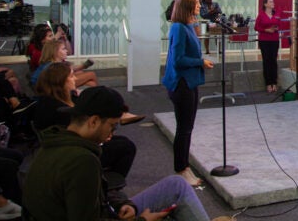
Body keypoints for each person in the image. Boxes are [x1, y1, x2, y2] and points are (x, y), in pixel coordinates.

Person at [23, 86, 227, 221]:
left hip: (108, 212)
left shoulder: (54, 143)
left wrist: (120, 204)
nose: (112, 135)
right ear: (93, 121)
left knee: (177, 184)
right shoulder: (81, 162)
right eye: (112, 126)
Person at [34, 62, 137, 180]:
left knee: (121, 140)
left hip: (76, 142)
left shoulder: (62, 99)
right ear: (61, 80)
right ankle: (109, 184)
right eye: (71, 76)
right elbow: (78, 130)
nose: (75, 79)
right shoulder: (54, 108)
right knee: (127, 146)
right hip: (76, 148)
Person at [163, 0, 214, 186]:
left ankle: (184, 166)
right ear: (187, 5)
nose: (200, 5)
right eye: (197, 2)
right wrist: (200, 62)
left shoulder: (187, 26)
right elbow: (177, 60)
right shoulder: (178, 28)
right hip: (181, 83)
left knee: (188, 127)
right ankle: (181, 168)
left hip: (189, 82)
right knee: (184, 129)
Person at [31, 39, 97, 88]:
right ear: (54, 52)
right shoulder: (52, 67)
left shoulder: (52, 63)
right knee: (91, 74)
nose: (67, 51)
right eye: (63, 49)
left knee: (89, 81)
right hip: (51, 93)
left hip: (52, 89)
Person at [254, 0, 281, 93]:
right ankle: (268, 83)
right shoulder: (261, 15)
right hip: (264, 40)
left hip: (274, 39)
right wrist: (266, 30)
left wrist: (275, 28)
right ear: (265, 4)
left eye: (273, 1)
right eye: (270, 1)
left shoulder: (276, 13)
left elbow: (279, 24)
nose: (273, 3)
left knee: (273, 60)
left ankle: (274, 82)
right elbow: (256, 27)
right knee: (266, 61)